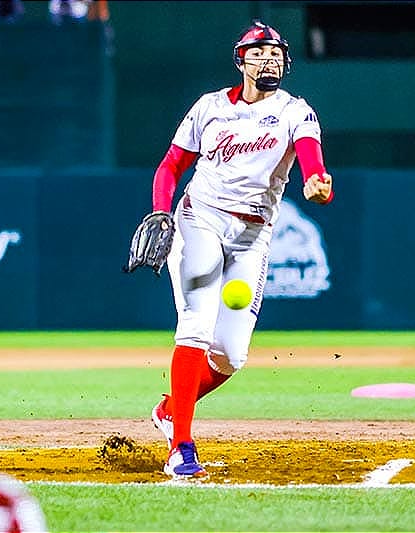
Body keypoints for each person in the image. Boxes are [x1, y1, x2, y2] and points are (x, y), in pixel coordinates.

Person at [142, 20, 334, 479]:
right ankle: (181, 447)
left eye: (275, 52)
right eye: (259, 52)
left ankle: (170, 410)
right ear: (241, 60)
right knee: (196, 324)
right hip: (198, 220)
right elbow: (171, 166)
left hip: (253, 235)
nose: (269, 59)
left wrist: (315, 179)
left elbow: (310, 156)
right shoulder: (209, 107)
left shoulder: (296, 112)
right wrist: (159, 210)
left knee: (230, 355)